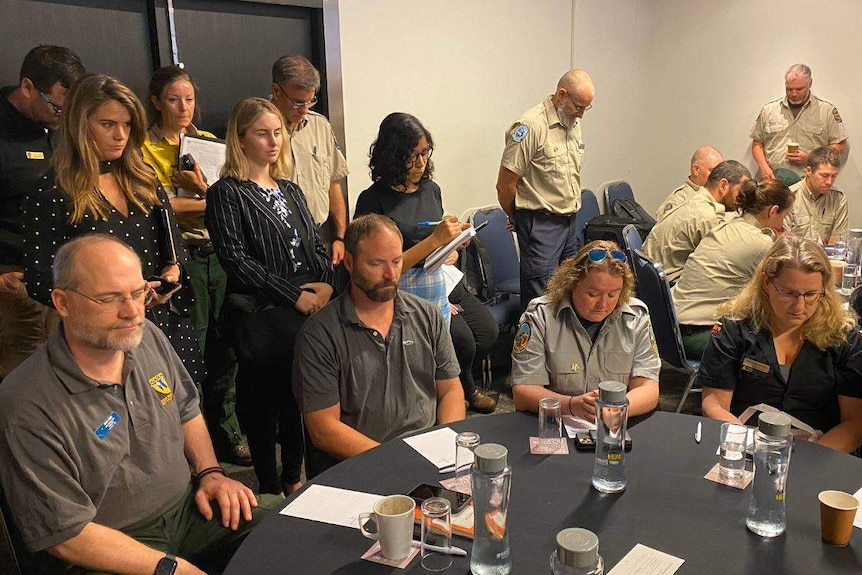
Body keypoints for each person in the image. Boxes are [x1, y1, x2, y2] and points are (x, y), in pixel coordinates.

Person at [0, 234, 278, 574]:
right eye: (109, 299)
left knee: (292, 524)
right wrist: (169, 568)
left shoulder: (144, 336)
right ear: (62, 302)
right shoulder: (26, 402)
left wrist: (211, 472)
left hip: (187, 510)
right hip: (107, 545)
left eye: (138, 293)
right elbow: (66, 534)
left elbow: (187, 408)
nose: (132, 311)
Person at [21, 73, 204, 382]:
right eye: (108, 125)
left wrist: (173, 273)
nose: (120, 135)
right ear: (80, 125)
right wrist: (108, 299)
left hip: (164, 324)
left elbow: (175, 248)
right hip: (101, 338)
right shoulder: (50, 193)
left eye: (127, 125)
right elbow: (41, 281)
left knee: (181, 412)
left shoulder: (142, 178)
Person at [206, 97, 334, 496]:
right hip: (263, 311)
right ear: (241, 139)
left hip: (309, 305)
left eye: (278, 132)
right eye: (262, 133)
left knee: (300, 400)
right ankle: (270, 483)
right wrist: (292, 294)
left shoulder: (291, 190)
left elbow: (316, 244)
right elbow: (236, 261)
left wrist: (328, 282)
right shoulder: (228, 193)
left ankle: (294, 478)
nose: (273, 141)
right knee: (265, 406)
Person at [293, 214, 466, 471]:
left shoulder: (427, 315)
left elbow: (451, 390)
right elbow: (323, 429)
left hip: (427, 458)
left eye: (396, 261)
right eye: (376, 263)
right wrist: (394, 462)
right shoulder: (320, 335)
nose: (390, 274)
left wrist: (444, 445)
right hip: (359, 466)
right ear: (349, 263)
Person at [141, 65, 250, 466]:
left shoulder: (207, 144)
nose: (183, 107)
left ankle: (227, 428)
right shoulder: (141, 149)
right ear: (156, 102)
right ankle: (193, 442)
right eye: (173, 99)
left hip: (219, 254)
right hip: (178, 258)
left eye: (189, 99)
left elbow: (231, 199)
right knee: (190, 351)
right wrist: (206, 200)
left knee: (227, 346)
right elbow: (155, 205)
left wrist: (200, 194)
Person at [354, 112, 497, 412]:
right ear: (393, 155)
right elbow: (384, 271)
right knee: (462, 341)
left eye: (425, 153)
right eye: (412, 156)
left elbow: (438, 239)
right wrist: (435, 242)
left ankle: (458, 385)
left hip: (438, 275)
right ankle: (459, 389)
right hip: (402, 286)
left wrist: (455, 243)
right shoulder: (373, 200)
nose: (421, 163)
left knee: (486, 332)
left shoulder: (431, 189)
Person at [698, 234, 862, 453]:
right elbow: (714, 404)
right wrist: (751, 449)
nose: (799, 305)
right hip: (746, 442)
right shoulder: (734, 327)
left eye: (811, 294)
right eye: (789, 293)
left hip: (819, 451)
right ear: (767, 283)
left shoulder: (843, 336)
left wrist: (813, 461)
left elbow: (855, 423)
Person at [0, 45, 84, 378]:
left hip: (58, 277)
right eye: (57, 106)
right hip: (14, 281)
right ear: (28, 88)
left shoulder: (59, 129)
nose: (62, 116)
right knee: (22, 378)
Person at [510, 240, 660, 419]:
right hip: (557, 422)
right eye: (593, 294)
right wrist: (572, 405)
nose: (603, 304)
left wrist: (617, 411)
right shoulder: (540, 316)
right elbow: (523, 393)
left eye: (613, 294)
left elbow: (648, 388)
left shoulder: (636, 317)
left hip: (615, 424)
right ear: (572, 283)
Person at [496, 69, 595, 307]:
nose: (581, 115)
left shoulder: (572, 122)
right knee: (541, 302)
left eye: (586, 109)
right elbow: (505, 185)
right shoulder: (531, 126)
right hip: (541, 225)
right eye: (579, 107)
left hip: (569, 221)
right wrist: (518, 217)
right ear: (562, 95)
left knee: (569, 293)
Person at [672, 179, 794, 360]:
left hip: (674, 327)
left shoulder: (727, 223)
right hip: (699, 334)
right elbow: (787, 285)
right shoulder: (760, 243)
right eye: (784, 217)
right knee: (775, 340)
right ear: (774, 211)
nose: (783, 225)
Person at [271, 55, 349, 263]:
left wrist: (340, 237)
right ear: (276, 91)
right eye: (298, 102)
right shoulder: (257, 130)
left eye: (310, 101)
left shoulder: (319, 126)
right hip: (277, 244)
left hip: (320, 237)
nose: (305, 110)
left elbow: (333, 182)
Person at [643, 160, 751, 284]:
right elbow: (728, 263)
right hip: (670, 286)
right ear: (723, 186)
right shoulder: (709, 217)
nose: (742, 197)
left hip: (654, 279)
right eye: (741, 191)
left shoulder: (694, 198)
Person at [750, 64, 848, 180]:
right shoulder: (769, 110)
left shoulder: (826, 110)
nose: (794, 94)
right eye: (789, 89)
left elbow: (840, 145)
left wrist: (811, 156)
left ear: (810, 83)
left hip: (809, 183)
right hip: (774, 182)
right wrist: (763, 167)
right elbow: (757, 143)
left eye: (799, 89)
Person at [785, 146, 847, 245]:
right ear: (809, 171)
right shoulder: (789, 197)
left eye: (834, 176)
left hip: (827, 258)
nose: (829, 182)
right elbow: (784, 243)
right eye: (824, 175)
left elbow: (837, 242)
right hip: (796, 258)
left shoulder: (838, 198)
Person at [654, 146, 723, 222]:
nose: (719, 177)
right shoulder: (680, 199)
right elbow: (665, 230)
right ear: (696, 170)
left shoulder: (721, 196)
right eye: (713, 171)